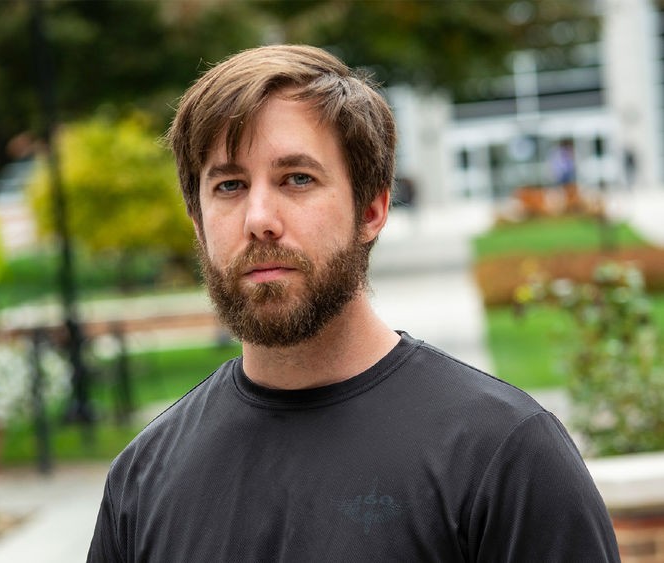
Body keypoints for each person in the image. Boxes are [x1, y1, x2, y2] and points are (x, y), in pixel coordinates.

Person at [88, 45, 619, 562]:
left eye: (297, 179)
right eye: (229, 185)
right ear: (198, 223)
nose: (259, 219)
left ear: (372, 209)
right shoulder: (144, 479)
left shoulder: (504, 454)